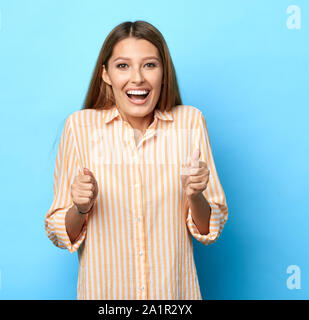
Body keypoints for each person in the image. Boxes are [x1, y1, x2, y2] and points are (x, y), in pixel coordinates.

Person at [44, 20, 228, 300]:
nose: (138, 78)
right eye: (123, 66)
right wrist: (81, 208)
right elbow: (60, 233)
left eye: (150, 65)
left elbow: (209, 229)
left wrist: (195, 195)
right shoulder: (79, 128)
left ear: (164, 73)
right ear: (105, 74)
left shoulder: (190, 123)